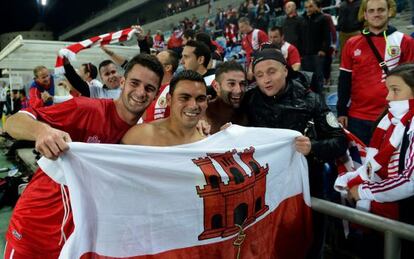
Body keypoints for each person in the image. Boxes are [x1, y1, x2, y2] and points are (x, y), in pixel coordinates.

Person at [3, 53, 164, 258]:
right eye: (135, 83)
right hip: (37, 227)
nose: (141, 93)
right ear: (123, 82)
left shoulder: (143, 135)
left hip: (84, 238)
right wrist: (42, 132)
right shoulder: (86, 108)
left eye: (149, 88)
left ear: (156, 93)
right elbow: (13, 122)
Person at [242, 48, 347, 258]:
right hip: (266, 190)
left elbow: (340, 141)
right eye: (260, 75)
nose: (266, 80)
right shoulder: (248, 101)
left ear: (285, 70)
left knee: (309, 244)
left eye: (271, 72)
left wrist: (313, 147)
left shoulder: (311, 100)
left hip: (307, 185)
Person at [348, 63, 414, 259]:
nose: (388, 98)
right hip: (395, 209)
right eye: (388, 90)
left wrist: (363, 191)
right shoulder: (391, 120)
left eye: (395, 90)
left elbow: (410, 180)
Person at [337, 0, 414, 145]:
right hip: (357, 116)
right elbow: (344, 80)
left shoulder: (405, 41)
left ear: (389, 11)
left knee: (390, 165)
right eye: (371, 11)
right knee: (361, 164)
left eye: (380, 10)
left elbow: (411, 82)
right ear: (365, 15)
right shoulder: (352, 43)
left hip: (393, 115)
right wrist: (341, 111)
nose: (376, 14)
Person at [122, 70, 208, 145]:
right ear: (169, 99)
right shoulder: (141, 136)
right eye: (184, 98)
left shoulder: (209, 141)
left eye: (200, 99)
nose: (193, 105)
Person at [205, 61, 248, 134]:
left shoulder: (252, 107)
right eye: (231, 84)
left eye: (242, 84)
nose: (238, 90)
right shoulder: (203, 113)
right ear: (216, 87)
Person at [300, 0, 331, 94]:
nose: (308, 9)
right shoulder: (302, 19)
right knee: (307, 80)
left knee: (318, 80)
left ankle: (320, 103)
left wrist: (323, 50)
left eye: (310, 6)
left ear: (315, 7)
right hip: (305, 55)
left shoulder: (323, 18)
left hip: (318, 55)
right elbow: (300, 37)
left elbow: (327, 36)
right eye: (306, 7)